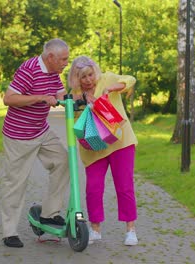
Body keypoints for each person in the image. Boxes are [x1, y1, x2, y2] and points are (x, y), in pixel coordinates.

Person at [0, 38, 71, 248]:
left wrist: (73, 98)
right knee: (16, 182)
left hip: (41, 130)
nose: (66, 63)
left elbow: (59, 92)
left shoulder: (53, 72)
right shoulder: (29, 69)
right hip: (18, 135)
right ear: (50, 57)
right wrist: (40, 98)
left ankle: (49, 214)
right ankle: (9, 232)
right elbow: (9, 99)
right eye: (63, 59)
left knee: (63, 161)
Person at [67, 55, 139, 246]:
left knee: (124, 186)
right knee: (93, 189)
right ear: (77, 79)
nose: (88, 80)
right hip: (93, 147)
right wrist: (83, 101)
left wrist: (111, 89)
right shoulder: (75, 93)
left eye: (90, 74)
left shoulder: (106, 79)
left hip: (120, 142)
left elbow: (130, 80)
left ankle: (130, 229)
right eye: (83, 77)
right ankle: (95, 229)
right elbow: (74, 119)